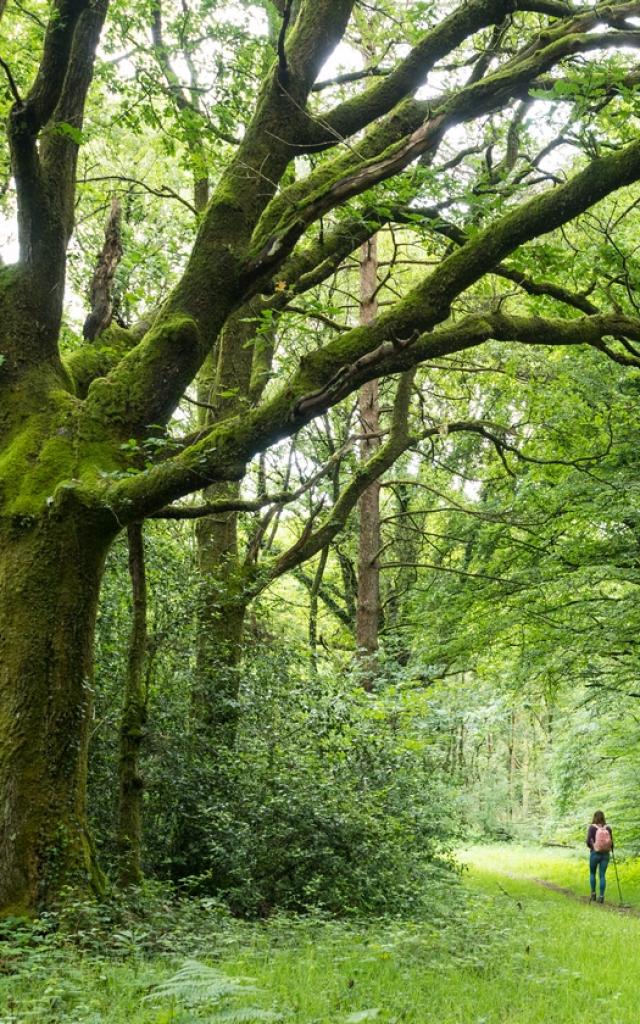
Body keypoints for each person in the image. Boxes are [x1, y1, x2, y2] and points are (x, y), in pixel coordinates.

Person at [586, 810, 613, 903]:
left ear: (594, 817)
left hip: (595, 853)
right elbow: (611, 842)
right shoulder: (608, 828)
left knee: (592, 873)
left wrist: (593, 847)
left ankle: (593, 894)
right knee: (602, 875)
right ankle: (601, 896)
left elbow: (588, 841)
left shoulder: (592, 828)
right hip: (605, 854)